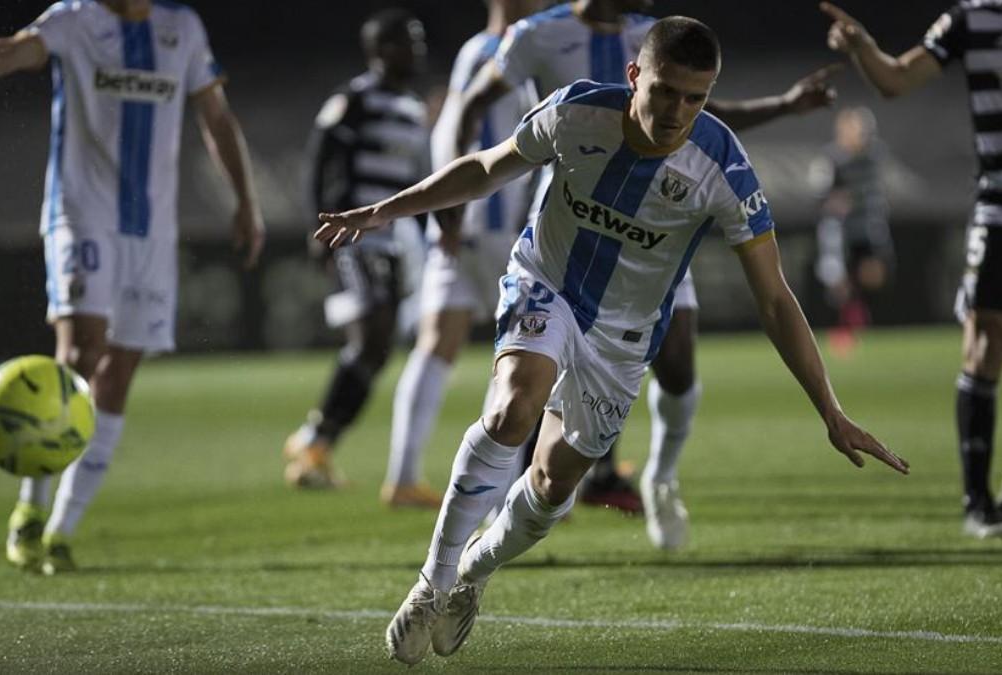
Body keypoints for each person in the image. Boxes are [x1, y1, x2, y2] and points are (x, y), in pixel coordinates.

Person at [312, 16, 910, 664]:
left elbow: (773, 297)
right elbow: (486, 167)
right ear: (634, 76)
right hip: (546, 284)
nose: (679, 111)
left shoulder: (723, 167)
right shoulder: (575, 113)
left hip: (624, 336)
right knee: (515, 407)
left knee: (550, 484)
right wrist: (383, 210)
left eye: (696, 97)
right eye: (666, 92)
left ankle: (475, 571)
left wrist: (830, 408)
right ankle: (434, 577)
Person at [401, 0, 841, 552]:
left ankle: (658, 475)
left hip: (657, 239)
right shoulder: (538, 35)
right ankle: (503, 505)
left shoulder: (653, 37)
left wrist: (783, 105)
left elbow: (699, 112)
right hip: (570, 227)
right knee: (525, 386)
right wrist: (454, 195)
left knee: (677, 363)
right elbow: (472, 105)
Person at [0, 0, 265, 573]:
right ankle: (30, 511)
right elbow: (13, 50)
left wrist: (246, 201)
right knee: (80, 354)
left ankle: (61, 530)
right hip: (81, 214)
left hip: (151, 229)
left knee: (119, 371)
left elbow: (217, 117)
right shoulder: (75, 19)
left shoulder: (182, 27)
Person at [822, 0, 1002, 537]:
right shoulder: (973, 19)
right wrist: (863, 46)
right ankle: (977, 501)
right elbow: (896, 79)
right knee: (984, 346)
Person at [384, 0, 547, 509]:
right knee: (527, 356)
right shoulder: (520, 49)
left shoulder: (473, 51)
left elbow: (447, 130)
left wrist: (445, 214)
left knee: (437, 344)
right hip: (506, 227)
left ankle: (404, 477)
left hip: (460, 226)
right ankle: (504, 494)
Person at [281, 9, 431, 492]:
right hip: (354, 234)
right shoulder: (354, 98)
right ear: (381, 50)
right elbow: (319, 158)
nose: (418, 50)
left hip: (394, 241)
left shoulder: (412, 106)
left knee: (377, 346)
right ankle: (314, 441)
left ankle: (315, 441)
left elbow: (417, 183)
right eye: (409, 41)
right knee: (372, 336)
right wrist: (316, 225)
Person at [810, 106, 893, 357]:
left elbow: (875, 190)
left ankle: (856, 312)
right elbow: (819, 196)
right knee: (837, 279)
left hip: (866, 224)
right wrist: (836, 201)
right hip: (838, 228)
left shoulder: (875, 155)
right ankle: (847, 324)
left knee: (873, 275)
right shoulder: (831, 159)